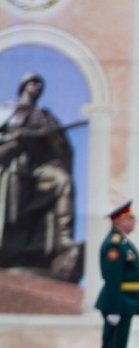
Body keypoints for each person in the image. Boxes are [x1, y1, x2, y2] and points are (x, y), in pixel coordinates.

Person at [0, 73, 82, 281]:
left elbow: (61, 149)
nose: (37, 86)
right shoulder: (8, 109)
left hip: (37, 170)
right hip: (12, 166)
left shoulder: (44, 116)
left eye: (40, 83)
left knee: (62, 181)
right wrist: (14, 139)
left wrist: (52, 139)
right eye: (32, 82)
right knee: (14, 179)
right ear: (23, 86)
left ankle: (63, 238)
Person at [94, 200, 139, 348]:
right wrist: (114, 309)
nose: (133, 222)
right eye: (130, 218)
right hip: (117, 304)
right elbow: (112, 278)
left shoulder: (122, 242)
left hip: (125, 303)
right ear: (119, 221)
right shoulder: (114, 243)